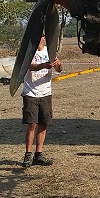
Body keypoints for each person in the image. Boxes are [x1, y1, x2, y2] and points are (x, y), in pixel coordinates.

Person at [21, 34, 62, 167]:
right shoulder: (29, 51)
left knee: (43, 124)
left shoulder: (49, 52)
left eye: (42, 36)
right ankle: (28, 155)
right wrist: (44, 65)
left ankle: (38, 155)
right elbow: (29, 66)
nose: (39, 38)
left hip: (45, 93)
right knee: (32, 124)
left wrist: (58, 65)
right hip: (30, 93)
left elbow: (59, 69)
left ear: (44, 37)